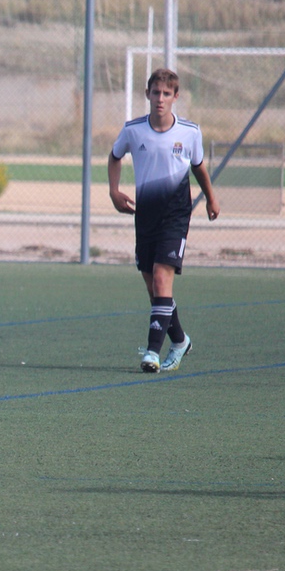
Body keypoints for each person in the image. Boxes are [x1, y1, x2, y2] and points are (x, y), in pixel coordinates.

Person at [109, 67, 219, 373]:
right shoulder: (133, 130)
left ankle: (152, 354)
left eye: (166, 94)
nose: (160, 99)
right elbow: (115, 156)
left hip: (175, 216)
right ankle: (180, 340)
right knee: (154, 288)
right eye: (155, 93)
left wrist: (211, 197)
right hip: (145, 215)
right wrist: (114, 191)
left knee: (161, 278)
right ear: (147, 94)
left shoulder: (189, 132)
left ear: (175, 97)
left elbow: (198, 167)